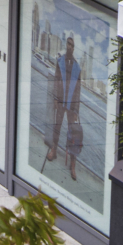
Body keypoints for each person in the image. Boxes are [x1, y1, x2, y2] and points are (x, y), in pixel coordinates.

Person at [46, 32, 84, 179]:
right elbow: (56, 80)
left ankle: (73, 163)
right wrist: (55, 98)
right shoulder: (60, 61)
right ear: (66, 45)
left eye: (72, 45)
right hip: (61, 101)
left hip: (71, 105)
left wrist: (76, 110)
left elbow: (78, 90)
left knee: (73, 134)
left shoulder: (77, 67)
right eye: (68, 43)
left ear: (74, 48)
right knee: (57, 127)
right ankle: (54, 150)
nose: (69, 46)